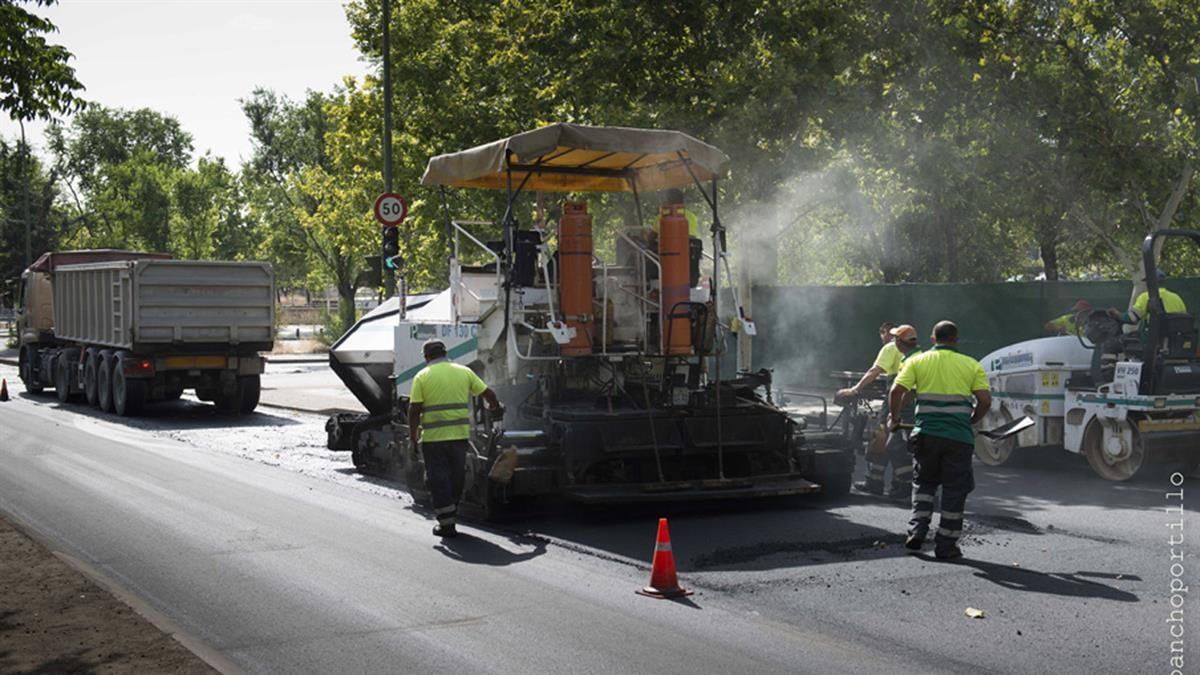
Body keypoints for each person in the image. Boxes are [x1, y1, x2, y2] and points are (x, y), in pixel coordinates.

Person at [889, 320, 991, 560]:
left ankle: (917, 530)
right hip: (958, 438)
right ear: (956, 340)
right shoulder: (971, 365)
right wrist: (972, 421)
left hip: (926, 435)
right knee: (955, 490)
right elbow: (985, 401)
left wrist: (894, 419)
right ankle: (946, 545)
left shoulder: (917, 361)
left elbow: (896, 391)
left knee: (924, 484)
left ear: (933, 339)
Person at [407, 339, 502, 538]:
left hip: (434, 439)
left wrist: (413, 438)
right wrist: (494, 408)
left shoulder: (422, 376)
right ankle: (451, 512)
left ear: (426, 357)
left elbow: (414, 410)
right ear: (446, 353)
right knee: (456, 476)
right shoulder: (463, 372)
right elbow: (489, 394)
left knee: (437, 478)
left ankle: (447, 524)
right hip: (459, 437)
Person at [837, 322, 915, 497]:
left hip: (896, 397)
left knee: (883, 438)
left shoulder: (889, 348)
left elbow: (874, 371)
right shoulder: (918, 352)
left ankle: (880, 482)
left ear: (885, 333)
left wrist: (855, 389)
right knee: (899, 441)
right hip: (911, 401)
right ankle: (897, 483)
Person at [1108, 269, 1188, 324]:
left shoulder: (1146, 297)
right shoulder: (1176, 297)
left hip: (1153, 341)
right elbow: (1183, 320)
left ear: (1150, 282)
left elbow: (1132, 318)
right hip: (1174, 341)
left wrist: (1118, 314)